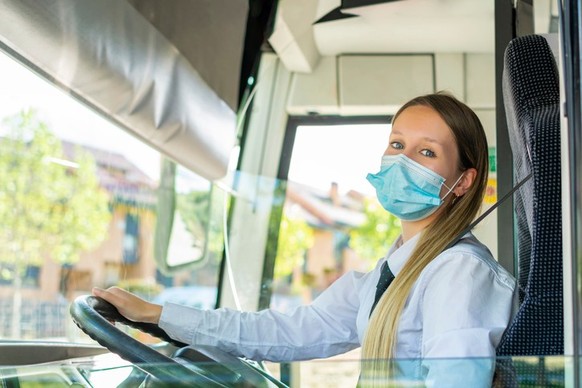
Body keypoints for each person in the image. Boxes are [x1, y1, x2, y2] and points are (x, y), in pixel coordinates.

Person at [93, 92, 516, 387]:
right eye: (397, 144)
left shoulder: (460, 273)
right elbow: (287, 332)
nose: (402, 161)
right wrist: (157, 314)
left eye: (426, 152)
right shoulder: (384, 277)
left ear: (463, 181)